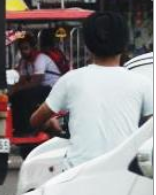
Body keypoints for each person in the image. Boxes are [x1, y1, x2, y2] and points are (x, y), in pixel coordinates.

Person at [31, 12, 153, 170]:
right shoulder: (141, 83)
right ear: (124, 45)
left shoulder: (71, 80)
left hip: (76, 174)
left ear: (87, 45)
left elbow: (35, 120)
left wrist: (49, 123)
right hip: (123, 175)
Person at [9, 32, 61, 135]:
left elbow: (36, 81)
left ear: (33, 48)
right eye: (21, 49)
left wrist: (18, 89)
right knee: (16, 97)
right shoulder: (24, 62)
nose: (24, 51)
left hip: (52, 88)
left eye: (26, 48)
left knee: (23, 96)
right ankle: (19, 128)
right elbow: (22, 80)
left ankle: (27, 129)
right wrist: (12, 91)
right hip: (41, 88)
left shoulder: (40, 58)